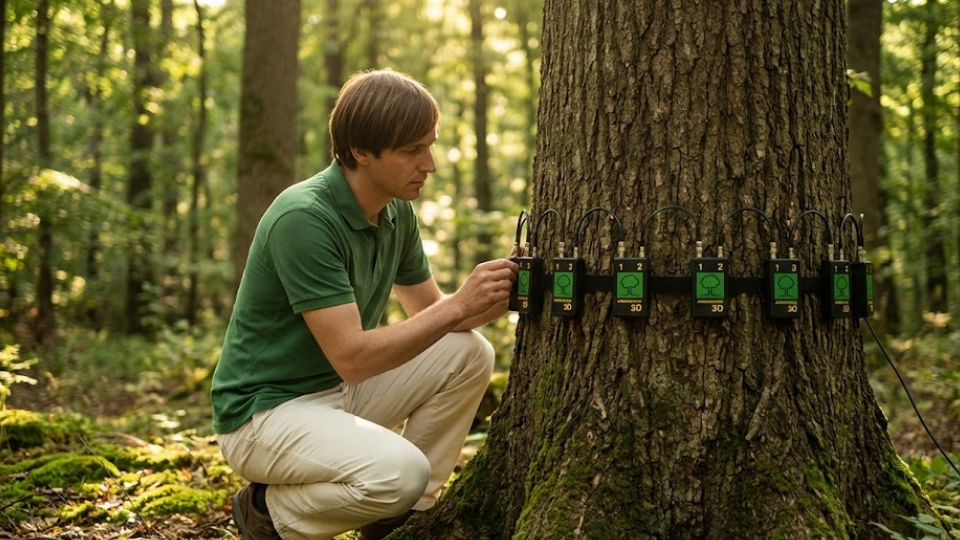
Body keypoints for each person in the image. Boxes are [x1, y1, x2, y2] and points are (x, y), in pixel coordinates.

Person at [210, 68, 519, 540]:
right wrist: (459, 305)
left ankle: (402, 521)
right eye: (412, 150)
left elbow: (432, 313)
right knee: (399, 473)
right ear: (360, 152)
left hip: (335, 394)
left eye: (429, 145)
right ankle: (267, 513)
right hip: (264, 413)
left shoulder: (396, 212)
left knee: (469, 353)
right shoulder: (304, 218)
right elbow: (352, 358)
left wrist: (503, 290)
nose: (429, 164)